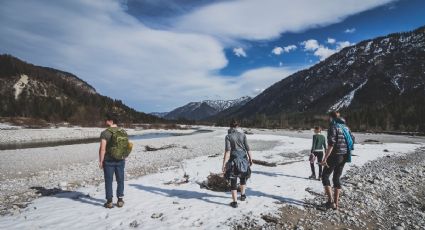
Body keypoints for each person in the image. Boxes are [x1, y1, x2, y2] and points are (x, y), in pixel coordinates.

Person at [320, 111, 355, 210]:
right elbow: (352, 140)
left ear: (331, 118)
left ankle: (330, 202)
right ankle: (336, 203)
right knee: (336, 178)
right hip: (345, 155)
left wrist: (325, 158)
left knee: (325, 176)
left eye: (329, 118)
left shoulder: (333, 127)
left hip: (335, 155)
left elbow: (331, 144)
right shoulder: (346, 127)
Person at [222, 120, 253, 208]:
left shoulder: (228, 136)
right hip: (244, 159)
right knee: (243, 177)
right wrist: (251, 159)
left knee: (233, 180)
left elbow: (227, 151)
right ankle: (243, 196)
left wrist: (224, 164)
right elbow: (248, 148)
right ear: (238, 126)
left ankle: (235, 202)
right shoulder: (243, 135)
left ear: (230, 127)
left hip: (233, 160)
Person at [99, 113, 126, 208]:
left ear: (111, 121)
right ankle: (120, 200)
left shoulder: (105, 133)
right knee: (120, 180)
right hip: (120, 159)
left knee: (108, 181)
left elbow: (102, 149)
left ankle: (109, 202)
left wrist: (101, 160)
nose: (105, 121)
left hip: (108, 160)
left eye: (107, 119)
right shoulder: (123, 131)